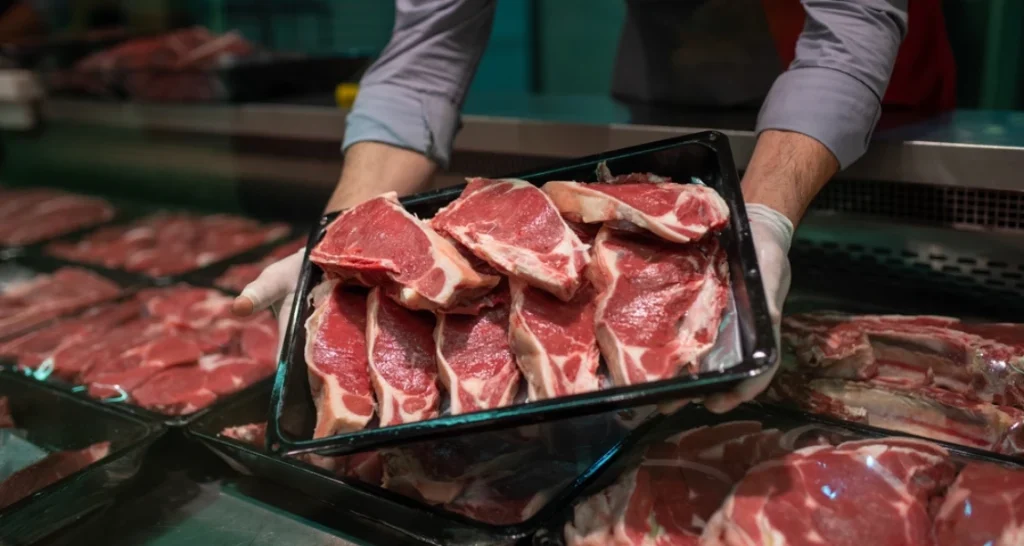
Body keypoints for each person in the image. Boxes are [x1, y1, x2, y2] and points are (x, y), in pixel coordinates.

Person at [233, 0, 945, 412]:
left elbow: (848, 33)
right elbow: (427, 54)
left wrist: (765, 222)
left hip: (844, 102)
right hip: (675, 72)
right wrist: (343, 238)